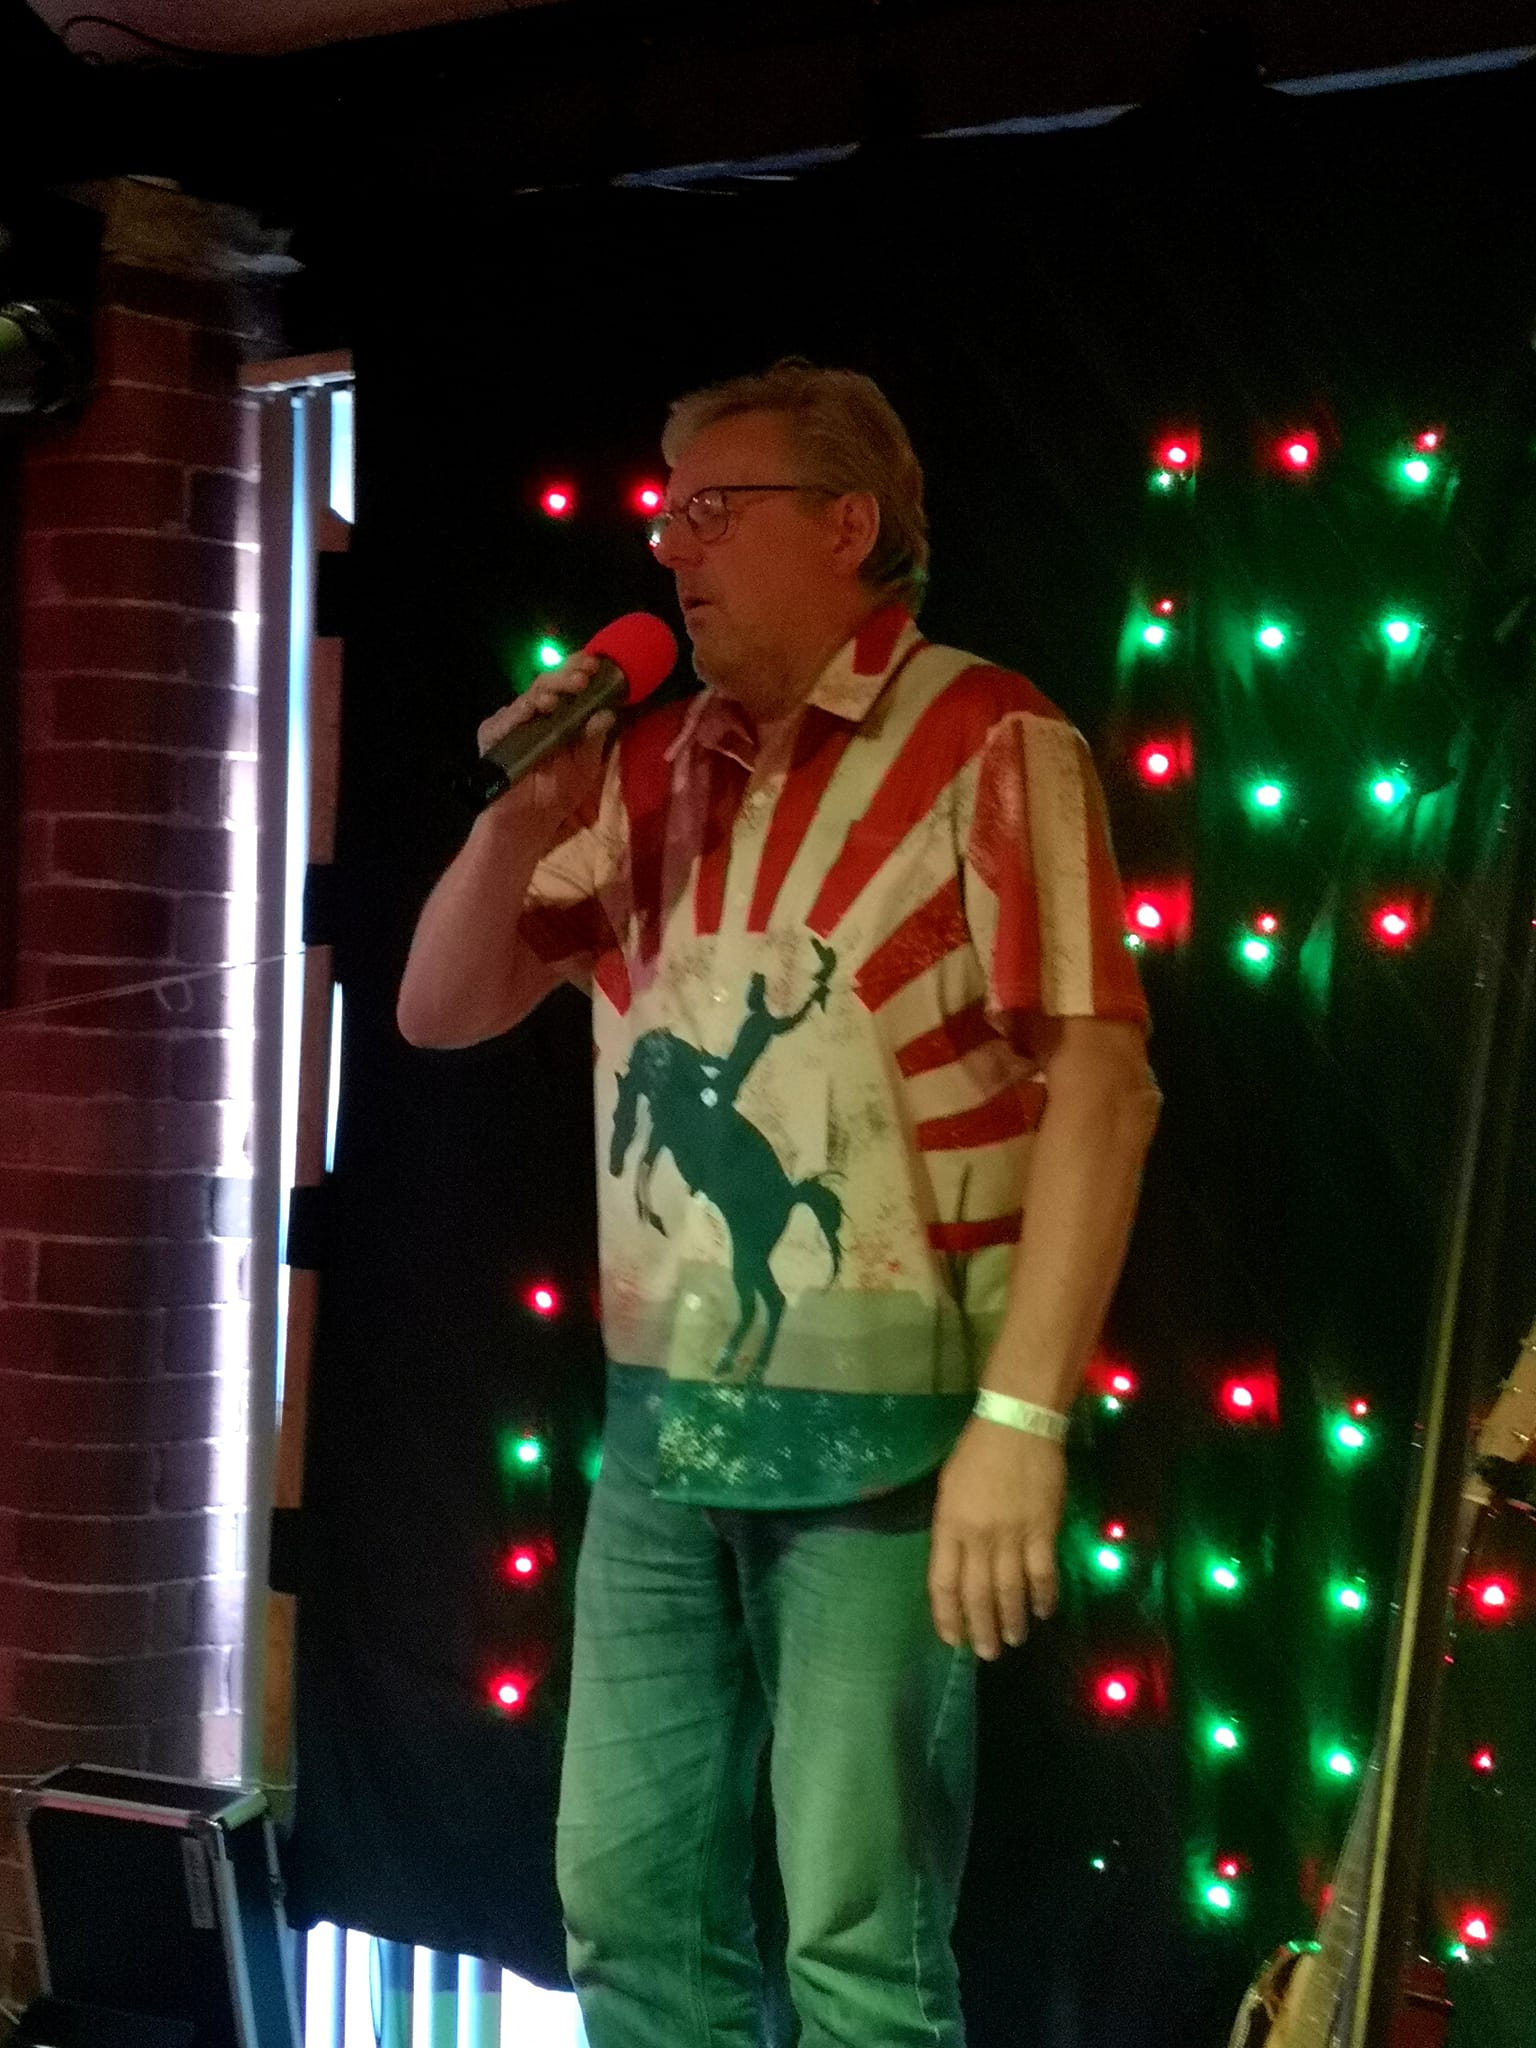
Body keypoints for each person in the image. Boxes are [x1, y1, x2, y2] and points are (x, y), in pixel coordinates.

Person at [397, 361, 1160, 2048]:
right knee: (626, 1913)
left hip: (892, 1449)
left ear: (847, 524)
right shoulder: (645, 770)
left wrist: (1021, 1420)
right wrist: (523, 817)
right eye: (665, 514)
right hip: (663, 1440)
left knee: (860, 1955)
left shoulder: (988, 736)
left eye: (711, 511)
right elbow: (439, 1011)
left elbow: (1106, 1088)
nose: (670, 548)